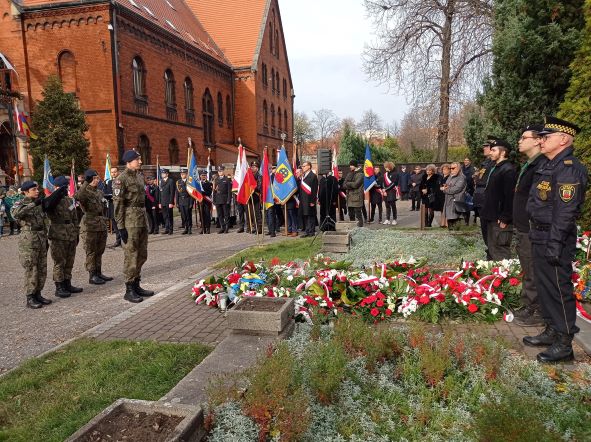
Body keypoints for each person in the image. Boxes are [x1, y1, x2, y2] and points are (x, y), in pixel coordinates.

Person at [523, 117, 588, 363]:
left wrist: (555, 242)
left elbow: (566, 211)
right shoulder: (548, 165)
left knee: (559, 290)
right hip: (540, 233)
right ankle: (552, 330)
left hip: (555, 236)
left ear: (563, 139)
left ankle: (564, 342)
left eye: (546, 137)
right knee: (545, 286)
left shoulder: (568, 168)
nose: (541, 140)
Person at [512, 124, 545, 327]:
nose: (520, 141)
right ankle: (528, 304)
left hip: (531, 226)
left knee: (533, 267)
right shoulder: (530, 164)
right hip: (523, 225)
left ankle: (537, 310)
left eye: (524, 137)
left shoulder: (540, 165)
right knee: (527, 266)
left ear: (536, 140)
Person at [113, 149, 154, 303]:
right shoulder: (121, 179)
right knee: (131, 254)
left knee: (142, 254)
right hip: (130, 221)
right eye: (138, 159)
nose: (140, 162)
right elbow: (118, 204)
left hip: (141, 219)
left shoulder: (138, 177)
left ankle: (137, 284)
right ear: (129, 162)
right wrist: (120, 227)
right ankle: (129, 289)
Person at [11, 181, 52, 308]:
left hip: (40, 237)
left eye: (37, 189)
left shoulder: (39, 203)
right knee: (31, 269)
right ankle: (30, 297)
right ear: (26, 191)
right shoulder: (21, 203)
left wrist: (46, 237)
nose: (37, 191)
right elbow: (16, 214)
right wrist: (32, 204)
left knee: (42, 268)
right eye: (34, 189)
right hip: (29, 240)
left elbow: (44, 221)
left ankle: (38, 293)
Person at [479, 139, 516, 260]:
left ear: (503, 153)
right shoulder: (496, 167)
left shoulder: (508, 169)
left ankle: (503, 276)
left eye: (494, 150)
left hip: (498, 217)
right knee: (491, 247)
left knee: (499, 250)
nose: (490, 153)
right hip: (489, 215)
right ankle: (492, 274)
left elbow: (509, 196)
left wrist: (505, 216)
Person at [46, 175, 83, 298]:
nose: (65, 189)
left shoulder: (69, 200)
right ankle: (59, 286)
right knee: (59, 261)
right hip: (58, 234)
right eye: (63, 187)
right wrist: (56, 194)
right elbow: (47, 207)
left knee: (69, 260)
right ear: (56, 187)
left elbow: (74, 217)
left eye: (66, 187)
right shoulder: (51, 200)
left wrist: (76, 232)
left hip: (70, 234)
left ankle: (67, 283)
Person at [75, 169, 113, 285]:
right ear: (89, 179)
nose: (97, 180)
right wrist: (85, 182)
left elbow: (103, 204)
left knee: (99, 250)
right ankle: (92, 275)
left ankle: (98, 272)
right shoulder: (84, 192)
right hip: (89, 224)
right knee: (91, 251)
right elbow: (78, 196)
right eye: (95, 178)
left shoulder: (99, 192)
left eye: (98, 178)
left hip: (100, 223)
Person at [473, 137, 496, 258]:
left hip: (486, 200)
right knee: (485, 231)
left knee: (490, 232)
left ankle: (492, 255)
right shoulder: (485, 163)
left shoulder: (493, 163)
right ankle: (489, 252)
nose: (484, 148)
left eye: (486, 146)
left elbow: (486, 182)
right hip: (480, 200)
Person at [441, 162, 467, 231]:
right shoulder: (450, 176)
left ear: (458, 168)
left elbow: (456, 189)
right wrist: (445, 188)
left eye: (453, 168)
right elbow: (445, 185)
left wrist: (445, 190)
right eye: (450, 168)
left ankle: (456, 235)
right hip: (448, 200)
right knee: (449, 218)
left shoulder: (461, 177)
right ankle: (451, 235)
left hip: (456, 201)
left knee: (455, 218)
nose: (451, 170)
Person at [299, 161, 318, 237]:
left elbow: (314, 189)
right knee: (305, 215)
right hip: (303, 200)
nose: (302, 168)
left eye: (304, 166)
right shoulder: (304, 176)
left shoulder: (313, 176)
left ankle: (311, 232)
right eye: (302, 166)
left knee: (310, 215)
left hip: (310, 200)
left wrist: (313, 201)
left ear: (309, 166)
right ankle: (307, 231)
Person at [342, 160, 364, 227]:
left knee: (358, 215)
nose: (350, 167)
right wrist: (350, 184)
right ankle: (353, 228)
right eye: (350, 165)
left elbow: (356, 185)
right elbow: (343, 185)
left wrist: (348, 183)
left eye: (351, 165)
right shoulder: (349, 174)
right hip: (349, 198)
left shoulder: (361, 174)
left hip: (357, 198)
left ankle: (360, 229)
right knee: (351, 215)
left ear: (355, 165)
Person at [104, 167, 121, 247]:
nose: (113, 173)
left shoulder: (121, 181)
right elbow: (107, 193)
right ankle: (118, 240)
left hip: (119, 205)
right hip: (112, 205)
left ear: (118, 172)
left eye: (115, 172)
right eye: (112, 172)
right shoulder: (109, 182)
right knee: (114, 223)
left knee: (121, 223)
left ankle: (124, 239)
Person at [213, 165, 232, 234]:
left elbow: (229, 191)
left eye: (221, 171)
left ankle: (227, 227)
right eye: (218, 171)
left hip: (224, 199)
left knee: (226, 214)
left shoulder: (227, 179)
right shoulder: (216, 180)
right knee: (220, 214)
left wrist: (228, 200)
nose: (220, 172)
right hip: (218, 199)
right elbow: (214, 191)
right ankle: (222, 227)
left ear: (223, 171)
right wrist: (214, 200)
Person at [176, 168, 194, 235]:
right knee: (183, 216)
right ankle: (185, 228)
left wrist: (191, 203)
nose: (182, 175)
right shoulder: (178, 182)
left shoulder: (190, 181)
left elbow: (192, 193)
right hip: (181, 201)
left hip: (187, 200)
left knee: (188, 215)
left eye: (183, 174)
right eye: (181, 174)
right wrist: (177, 202)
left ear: (186, 174)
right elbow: (177, 193)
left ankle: (189, 228)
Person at [159, 169, 175, 235]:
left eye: (164, 173)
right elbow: (160, 193)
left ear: (167, 174)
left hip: (168, 202)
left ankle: (171, 229)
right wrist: (159, 202)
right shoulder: (161, 181)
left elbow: (172, 192)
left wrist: (171, 202)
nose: (162, 174)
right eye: (162, 173)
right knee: (165, 216)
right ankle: (166, 229)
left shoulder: (170, 181)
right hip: (163, 201)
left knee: (169, 216)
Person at [439, 164, 451, 228]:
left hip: (446, 194)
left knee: (446, 209)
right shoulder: (441, 177)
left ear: (449, 170)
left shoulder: (450, 177)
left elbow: (449, 185)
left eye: (446, 169)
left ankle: (446, 223)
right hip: (441, 195)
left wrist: (445, 187)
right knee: (442, 209)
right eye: (443, 169)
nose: (444, 171)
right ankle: (442, 222)